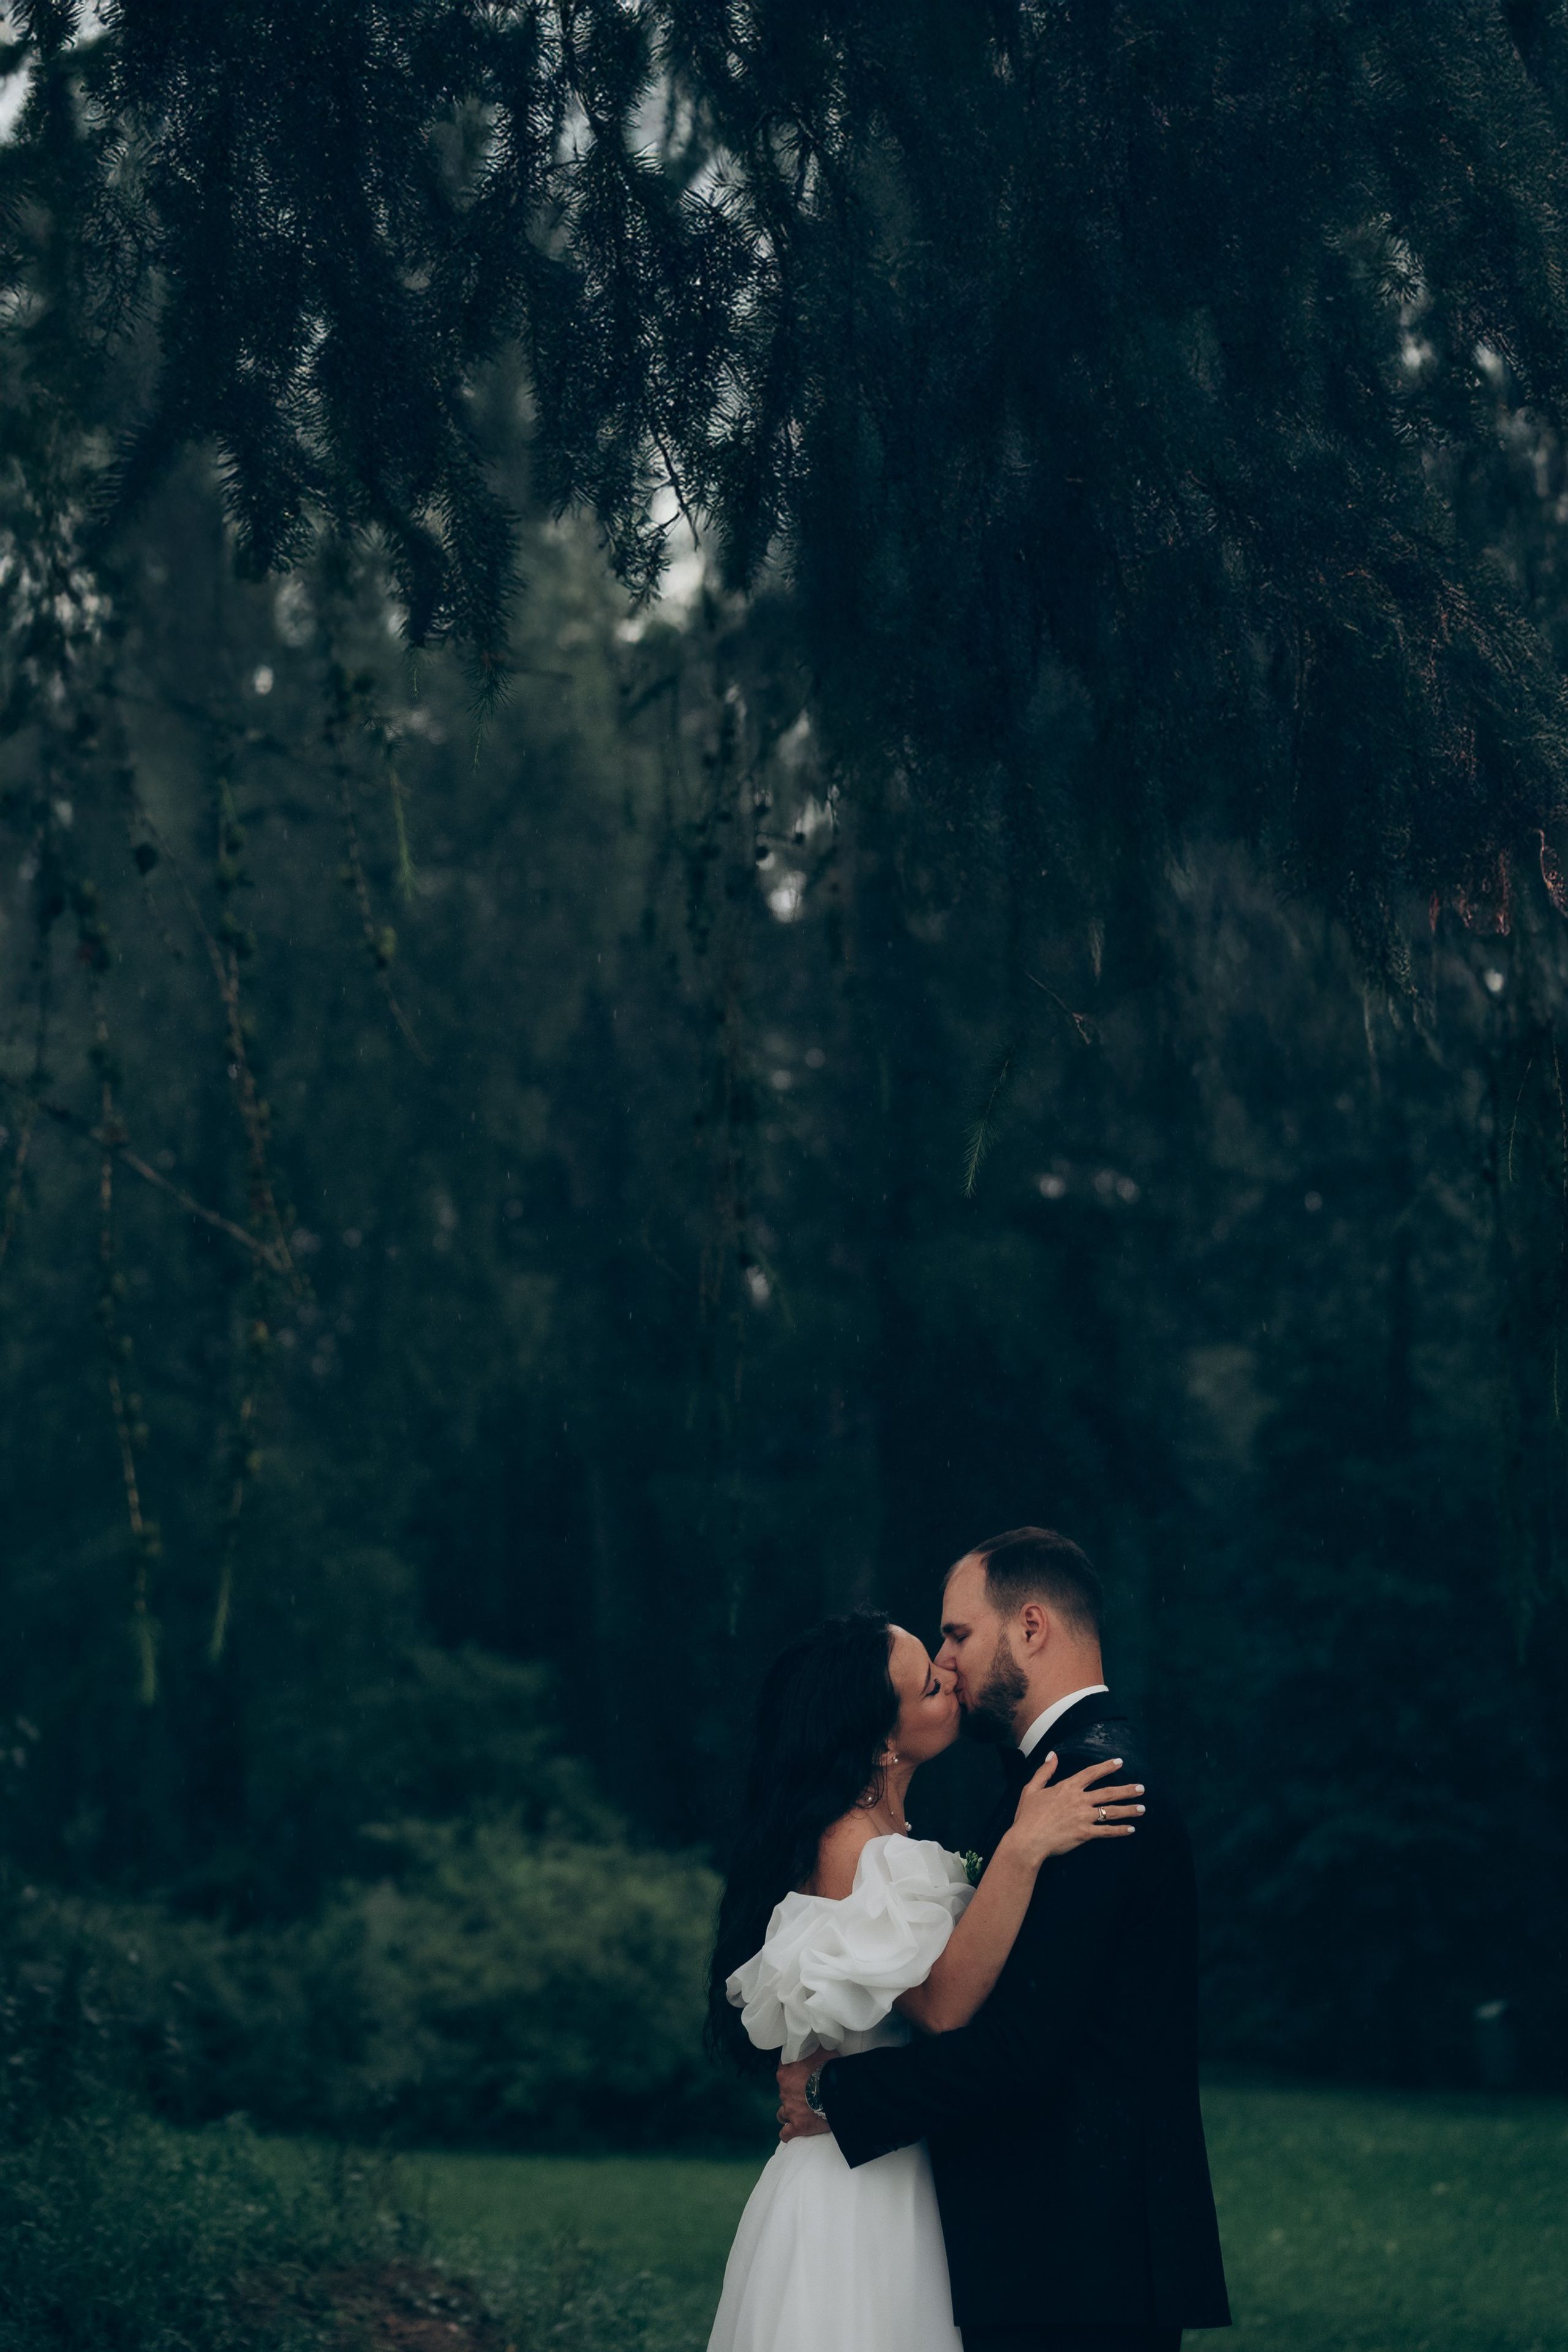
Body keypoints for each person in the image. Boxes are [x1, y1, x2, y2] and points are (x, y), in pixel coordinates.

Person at [775, 1528, 1231, 2352]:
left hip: (1077, 2267)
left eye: (957, 1634)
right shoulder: (1056, 1782)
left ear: (1030, 1627)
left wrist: (839, 2094)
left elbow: (1024, 2049)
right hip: (1057, 2254)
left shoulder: (1094, 1790)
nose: (947, 1664)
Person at [706, 1600, 1146, 2352]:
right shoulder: (852, 1846)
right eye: (930, 1686)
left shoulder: (882, 1838)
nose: (950, 1673)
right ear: (883, 1739)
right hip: (860, 2191)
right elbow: (941, 2007)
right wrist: (1022, 1850)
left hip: (894, 2153)